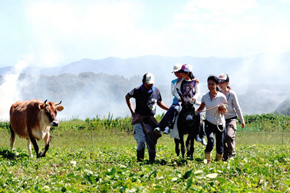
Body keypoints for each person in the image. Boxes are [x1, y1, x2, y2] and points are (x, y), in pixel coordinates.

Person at [125, 73, 169, 163]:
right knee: (141, 141)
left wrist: (169, 109)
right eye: (148, 83)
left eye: (151, 84)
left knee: (151, 141)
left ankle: (151, 162)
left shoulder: (156, 91)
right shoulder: (137, 90)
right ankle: (140, 161)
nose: (150, 85)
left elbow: (159, 103)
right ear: (143, 82)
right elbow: (127, 96)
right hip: (139, 119)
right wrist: (132, 111)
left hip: (151, 120)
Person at [196, 75, 227, 164]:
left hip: (219, 123)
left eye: (212, 84)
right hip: (209, 122)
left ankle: (218, 161)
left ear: (217, 85)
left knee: (220, 144)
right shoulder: (205, 96)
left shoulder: (221, 97)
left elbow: (224, 111)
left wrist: (221, 109)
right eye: (209, 84)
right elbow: (201, 108)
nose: (210, 86)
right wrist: (195, 113)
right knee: (210, 140)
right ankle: (208, 161)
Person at [218, 73, 245, 160]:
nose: (220, 84)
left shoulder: (232, 94)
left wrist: (242, 120)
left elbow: (237, 107)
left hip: (231, 118)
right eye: (219, 82)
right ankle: (226, 155)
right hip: (221, 119)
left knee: (229, 136)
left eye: (223, 82)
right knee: (222, 138)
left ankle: (232, 153)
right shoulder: (217, 94)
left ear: (227, 83)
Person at [153, 63, 183, 135]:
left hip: (187, 101)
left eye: (178, 72)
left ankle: (200, 133)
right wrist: (179, 98)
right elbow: (173, 92)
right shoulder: (173, 82)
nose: (176, 74)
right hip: (177, 101)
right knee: (173, 108)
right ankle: (165, 127)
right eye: (175, 72)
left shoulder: (188, 81)